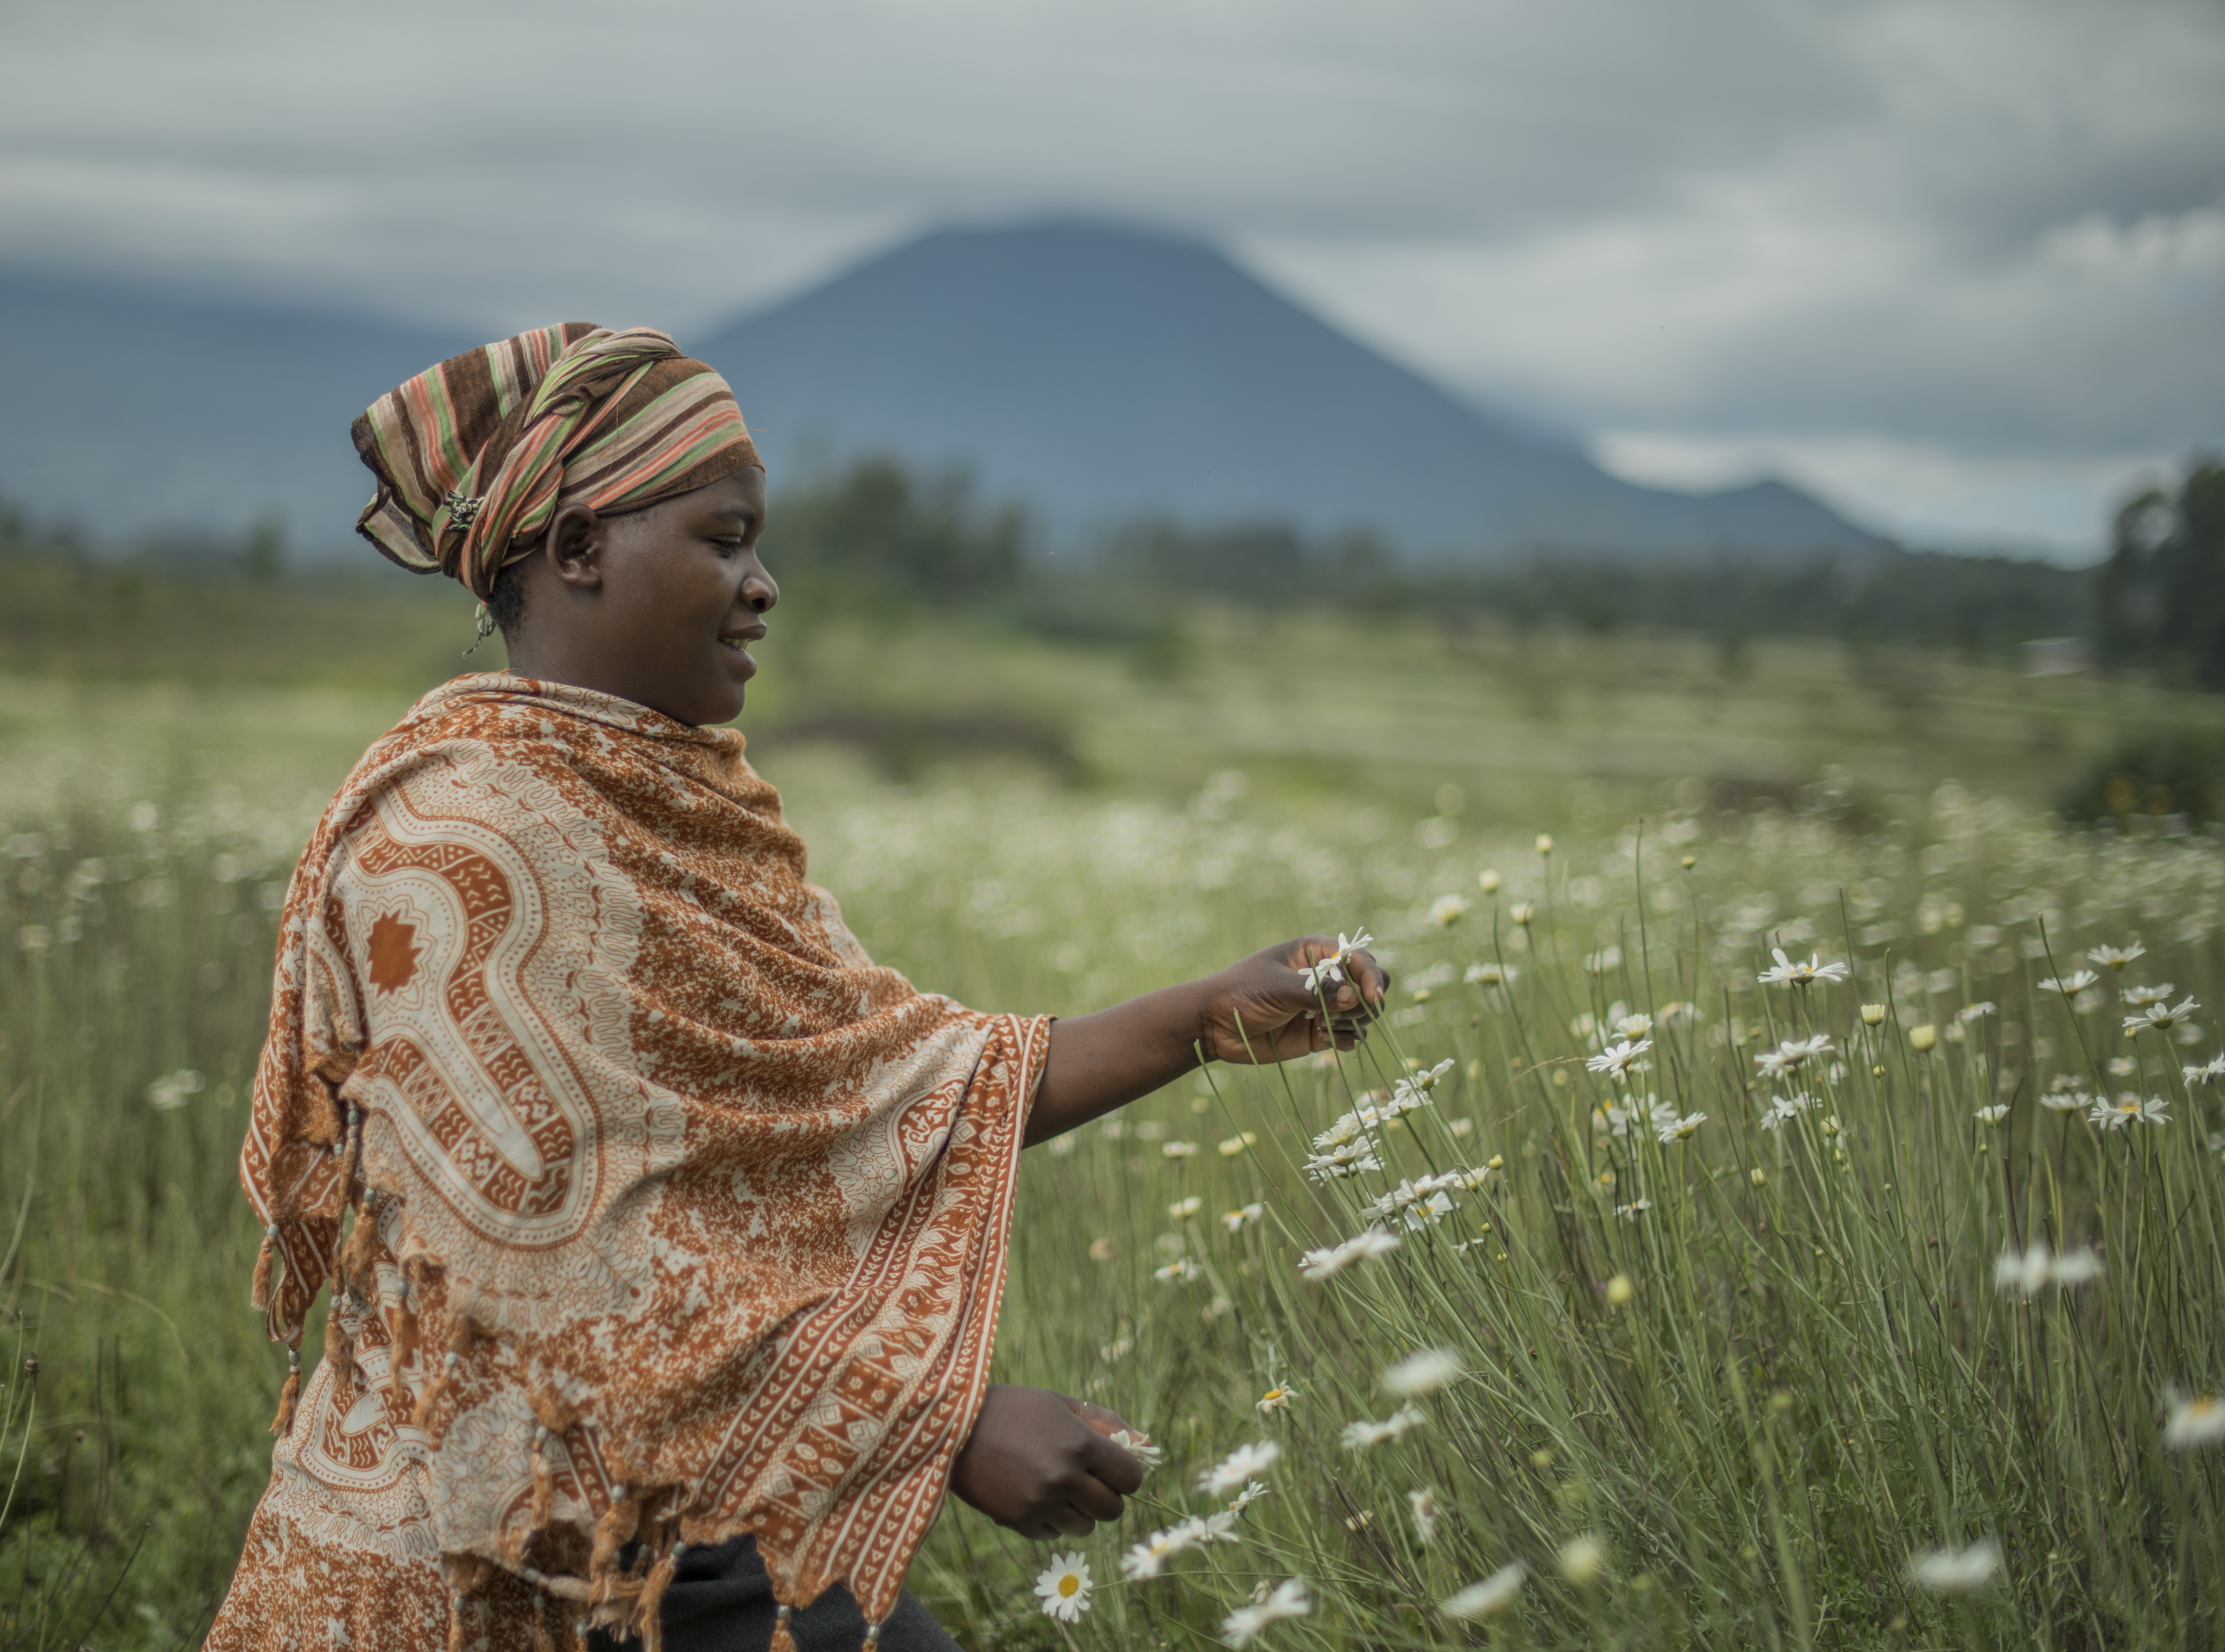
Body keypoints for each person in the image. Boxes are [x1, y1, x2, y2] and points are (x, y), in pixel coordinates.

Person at [206, 324, 1384, 1652]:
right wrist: (938, 1422)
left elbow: (884, 1090)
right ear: (579, 548)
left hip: (673, 1519)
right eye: (726, 540)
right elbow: (539, 1285)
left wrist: (1211, 1017)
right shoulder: (463, 849)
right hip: (488, 1561)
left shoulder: (678, 810)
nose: (763, 586)